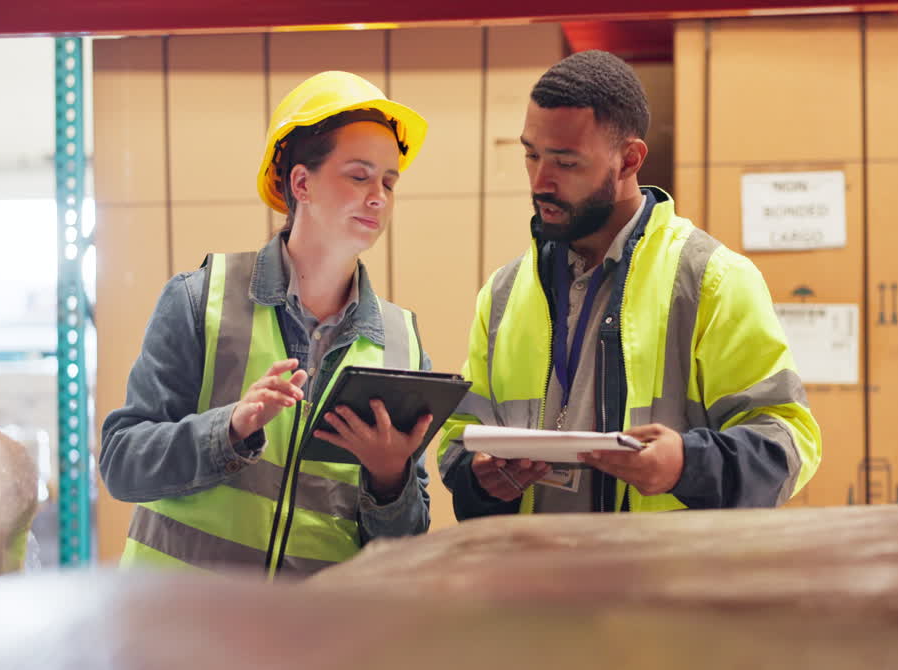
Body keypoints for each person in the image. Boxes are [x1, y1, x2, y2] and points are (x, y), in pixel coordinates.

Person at [438, 50, 821, 517]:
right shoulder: (503, 292)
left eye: (566, 162)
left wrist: (687, 464)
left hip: (657, 584)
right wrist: (478, 476)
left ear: (629, 160)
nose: (541, 181)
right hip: (532, 580)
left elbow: (788, 442)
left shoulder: (710, 279)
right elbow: (460, 434)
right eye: (532, 155)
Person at [100, 71, 435, 578]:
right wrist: (228, 430)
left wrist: (391, 481)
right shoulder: (199, 301)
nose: (379, 198)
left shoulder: (401, 345)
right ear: (302, 182)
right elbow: (122, 464)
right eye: (359, 176)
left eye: (389, 182)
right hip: (181, 633)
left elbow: (406, 542)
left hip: (311, 643)